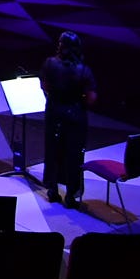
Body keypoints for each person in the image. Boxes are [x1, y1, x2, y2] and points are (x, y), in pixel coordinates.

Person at [40, 31, 98, 208]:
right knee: (73, 155)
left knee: (53, 151)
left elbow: (44, 86)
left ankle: (53, 190)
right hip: (76, 117)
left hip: (54, 114)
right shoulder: (84, 70)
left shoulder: (50, 64)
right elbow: (91, 97)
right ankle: (72, 195)